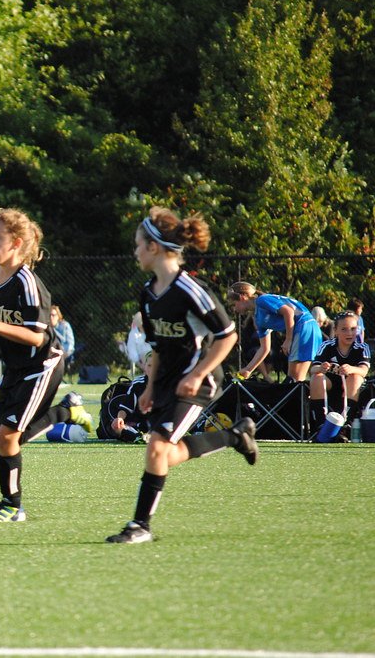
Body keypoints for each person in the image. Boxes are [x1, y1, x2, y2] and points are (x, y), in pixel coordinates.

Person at [105, 206, 257, 544]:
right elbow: (159, 347)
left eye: (138, 244)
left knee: (157, 449)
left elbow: (227, 335)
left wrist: (198, 373)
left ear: (154, 247)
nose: (135, 251)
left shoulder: (190, 290)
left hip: (199, 380)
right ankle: (235, 436)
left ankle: (140, 526)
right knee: (165, 454)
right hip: (168, 381)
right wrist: (148, 389)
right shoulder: (148, 293)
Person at [0, 208, 94, 523]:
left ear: (16, 244)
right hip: (15, 368)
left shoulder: (27, 283)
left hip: (43, 365)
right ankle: (65, 412)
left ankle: (12, 506)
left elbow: (37, 337)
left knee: (9, 438)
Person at [227, 282, 322, 382]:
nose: (235, 309)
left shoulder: (262, 300)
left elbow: (288, 312)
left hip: (304, 327)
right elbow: (264, 348)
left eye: (234, 304)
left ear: (242, 297)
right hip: (307, 329)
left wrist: (288, 340)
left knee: (294, 380)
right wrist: (248, 369)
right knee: (308, 375)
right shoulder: (258, 318)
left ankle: (306, 396)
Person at [308, 311, 370, 442]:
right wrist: (321, 367)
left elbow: (364, 371)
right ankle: (321, 426)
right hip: (331, 381)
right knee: (317, 377)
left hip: (350, 385)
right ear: (336, 330)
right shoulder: (327, 346)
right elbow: (313, 369)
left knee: (356, 377)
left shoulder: (362, 347)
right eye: (344, 329)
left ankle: (343, 427)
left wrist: (351, 369)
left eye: (353, 329)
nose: (349, 333)